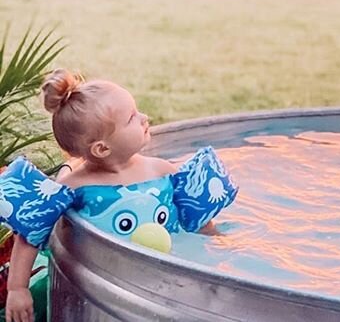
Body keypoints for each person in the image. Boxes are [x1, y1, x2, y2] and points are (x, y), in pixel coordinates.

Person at [1, 69, 238, 322]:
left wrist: (218, 251)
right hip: (107, 283)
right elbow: (30, 233)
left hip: (164, 279)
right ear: (102, 148)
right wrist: (18, 288)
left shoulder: (163, 171)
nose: (144, 117)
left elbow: (199, 221)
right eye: (132, 118)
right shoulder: (73, 187)